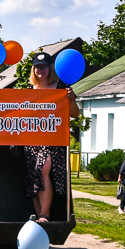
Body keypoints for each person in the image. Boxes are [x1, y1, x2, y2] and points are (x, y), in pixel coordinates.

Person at [23, 52, 79, 222]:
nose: (41, 70)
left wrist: (71, 99)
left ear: (50, 68)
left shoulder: (62, 88)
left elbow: (75, 114)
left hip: (53, 140)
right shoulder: (28, 91)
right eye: (38, 67)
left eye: (45, 67)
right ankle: (40, 216)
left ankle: (45, 214)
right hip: (32, 141)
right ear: (34, 70)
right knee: (34, 176)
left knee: (43, 168)